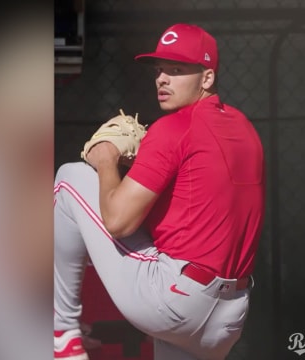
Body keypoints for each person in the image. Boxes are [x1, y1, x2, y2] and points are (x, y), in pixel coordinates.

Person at [54, 23, 265, 360]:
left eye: (177, 70)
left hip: (175, 302)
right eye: (159, 70)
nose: (162, 79)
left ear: (207, 78)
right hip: (229, 320)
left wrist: (108, 161)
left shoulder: (173, 128)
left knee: (70, 177)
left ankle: (62, 332)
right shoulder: (245, 128)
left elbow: (119, 222)